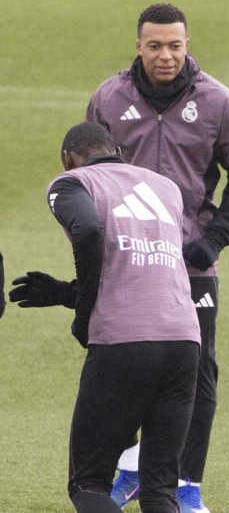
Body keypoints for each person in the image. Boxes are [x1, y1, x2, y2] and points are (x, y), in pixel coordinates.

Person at [84, 3, 229, 511]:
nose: (166, 55)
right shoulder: (108, 98)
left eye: (175, 45)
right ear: (138, 45)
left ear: (188, 44)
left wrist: (213, 241)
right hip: (127, 259)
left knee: (198, 369)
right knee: (123, 367)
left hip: (191, 263)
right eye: (156, 45)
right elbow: (87, 176)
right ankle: (128, 468)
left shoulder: (217, 102)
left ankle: (186, 486)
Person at [7, 122, 199, 513]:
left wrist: (82, 315)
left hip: (123, 343)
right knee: (160, 490)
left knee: (89, 484)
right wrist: (66, 292)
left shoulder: (71, 183)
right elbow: (139, 271)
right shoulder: (165, 188)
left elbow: (89, 231)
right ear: (118, 152)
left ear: (67, 158)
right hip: (183, 342)